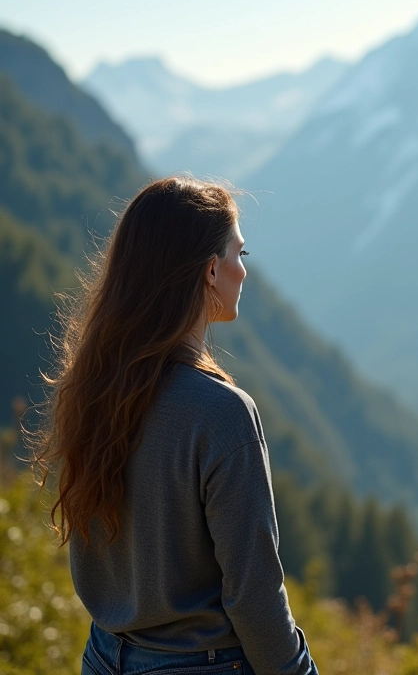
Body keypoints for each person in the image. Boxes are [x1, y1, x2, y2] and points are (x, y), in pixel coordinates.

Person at [32, 177, 319, 675]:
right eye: (239, 254)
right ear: (211, 270)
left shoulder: (95, 390)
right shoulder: (221, 412)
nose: (244, 272)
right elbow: (255, 597)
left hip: (104, 656)